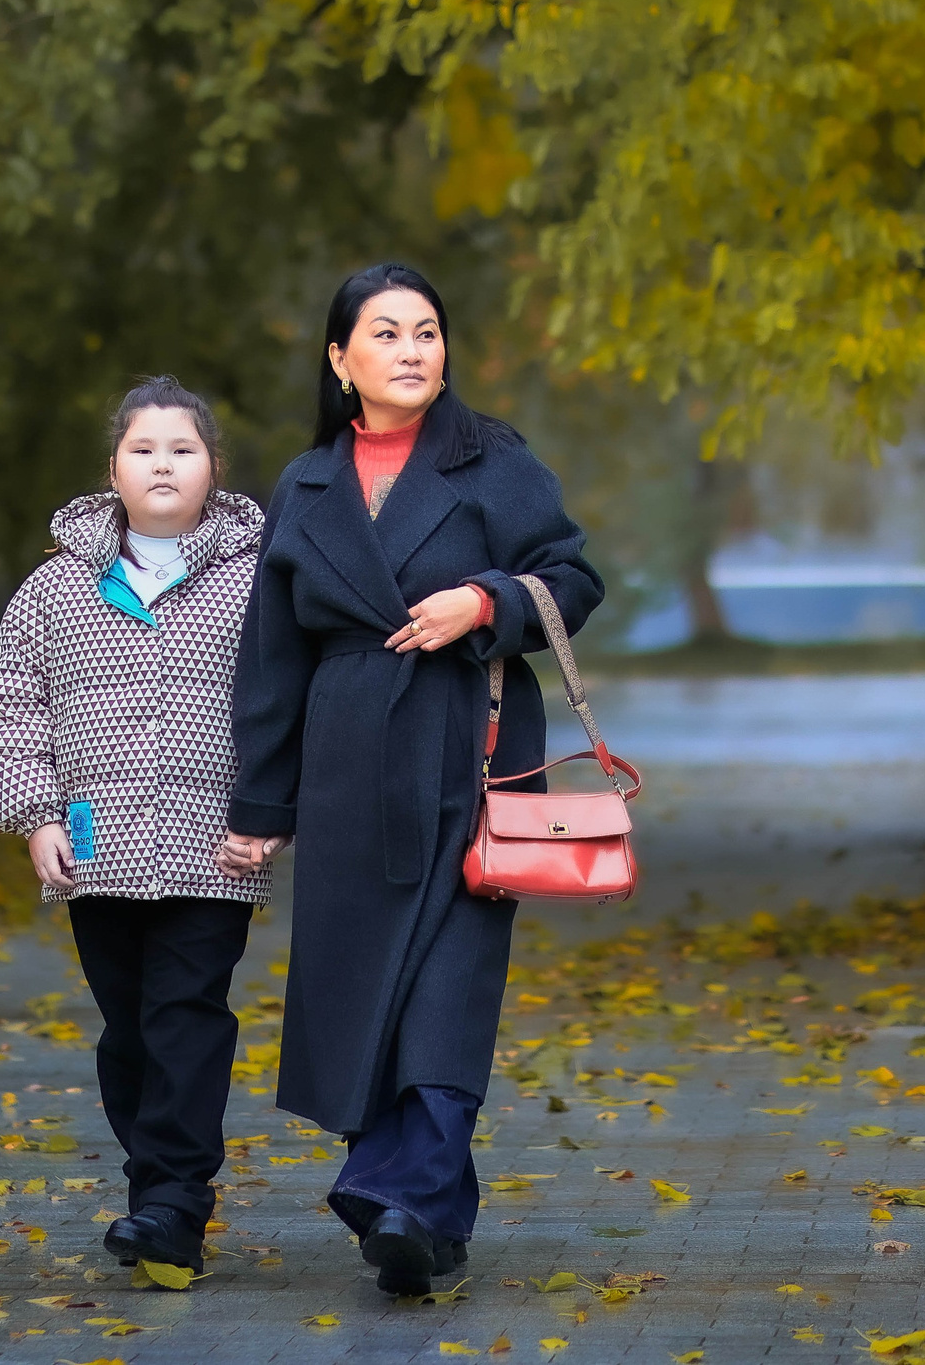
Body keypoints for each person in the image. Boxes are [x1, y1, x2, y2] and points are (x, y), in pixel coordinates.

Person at [216, 264, 603, 1295]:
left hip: (468, 744)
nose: (411, 351)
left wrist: (481, 604)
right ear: (341, 360)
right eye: (385, 334)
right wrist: (262, 804)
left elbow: (571, 574)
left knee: (450, 979)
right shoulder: (304, 486)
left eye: (426, 332)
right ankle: (423, 1215)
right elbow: (272, 659)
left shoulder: (492, 461)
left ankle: (400, 1191)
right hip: (348, 762)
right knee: (362, 987)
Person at [0, 376, 270, 1275]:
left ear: (213, 468)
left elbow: (287, 706)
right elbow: (11, 709)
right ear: (113, 468)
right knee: (129, 1028)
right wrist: (35, 816)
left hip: (214, 843)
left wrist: (270, 813)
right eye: (143, 449)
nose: (163, 464)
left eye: (182, 448)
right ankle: (156, 1192)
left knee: (186, 1012)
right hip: (96, 847)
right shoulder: (54, 587)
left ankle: (175, 1201)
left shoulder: (259, 582)